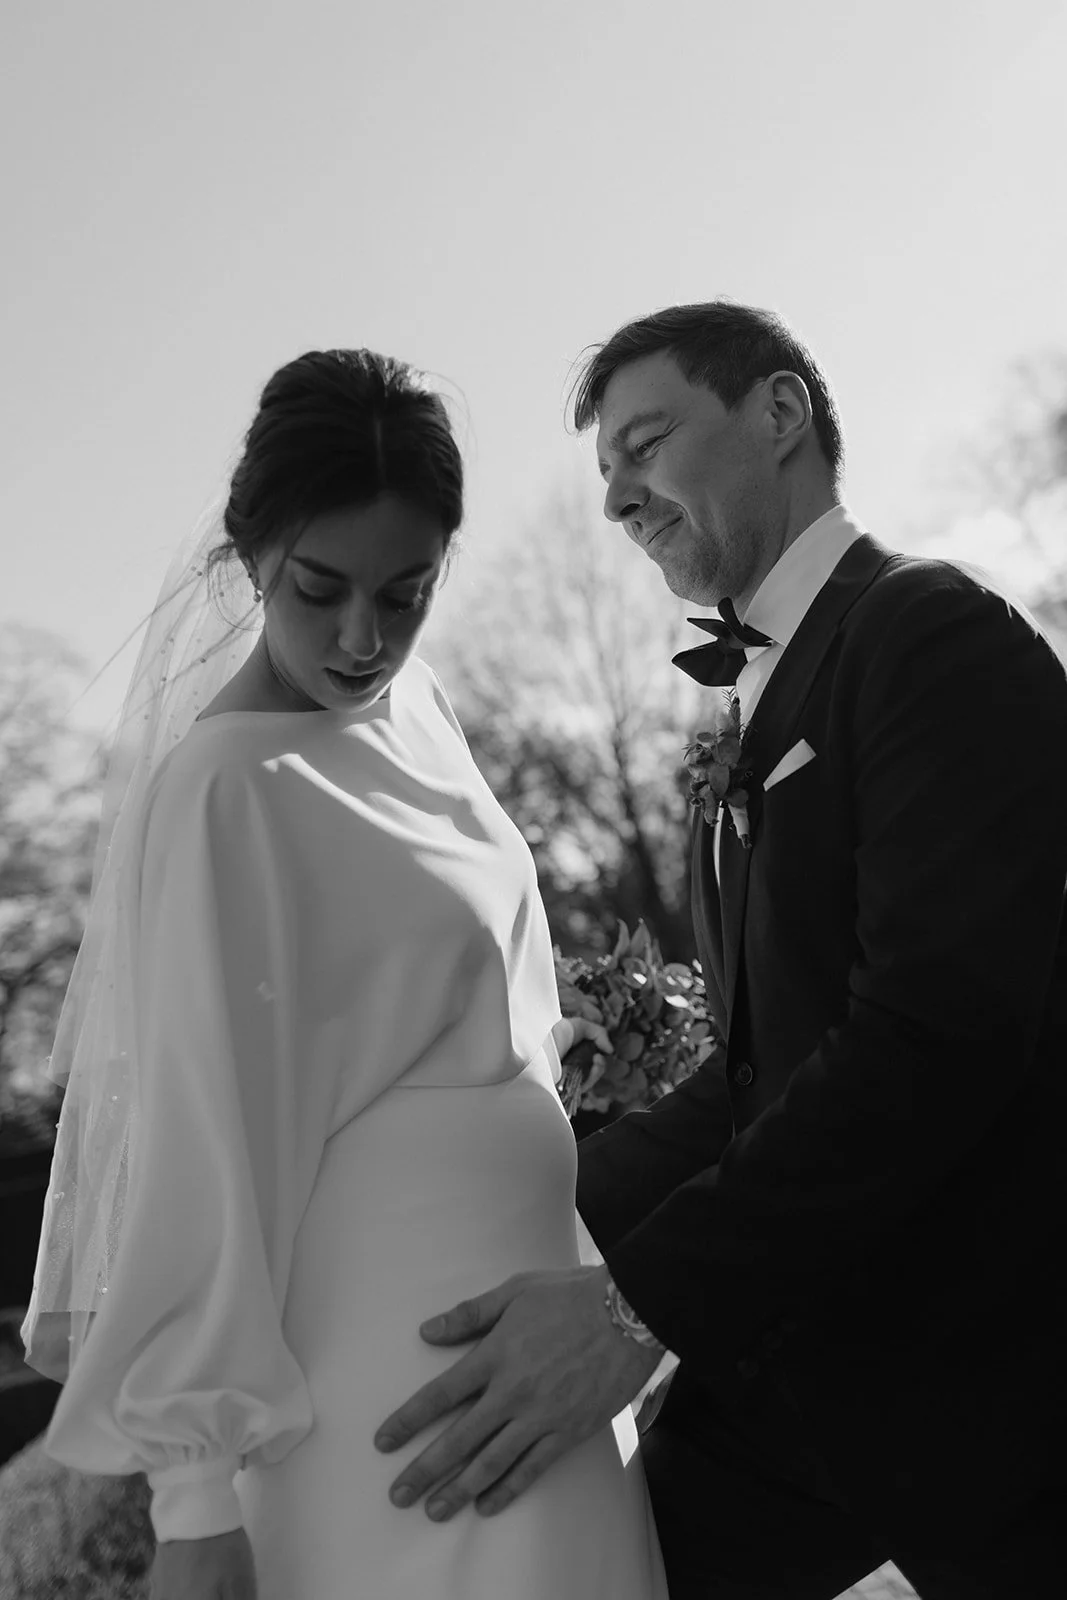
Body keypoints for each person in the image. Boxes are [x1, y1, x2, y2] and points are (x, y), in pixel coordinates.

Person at [375, 303, 1067, 1598]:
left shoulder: (928, 640)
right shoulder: (751, 718)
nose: (618, 501)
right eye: (604, 476)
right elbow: (755, 1074)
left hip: (991, 1372)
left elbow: (928, 1042)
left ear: (780, 413)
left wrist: (636, 1310)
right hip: (797, 1379)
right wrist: (511, 1196)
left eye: (644, 443)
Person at [20, 348, 667, 1600]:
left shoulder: (418, 713)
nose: (363, 637)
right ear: (251, 551)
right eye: (320, 589)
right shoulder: (221, 793)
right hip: (384, 1390)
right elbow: (200, 1150)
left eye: (406, 592)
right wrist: (197, 1502)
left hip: (541, 1344)